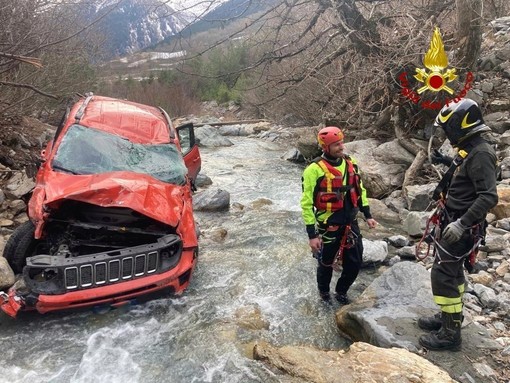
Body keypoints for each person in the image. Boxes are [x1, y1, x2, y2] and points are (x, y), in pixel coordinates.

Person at [418, 98, 498, 351]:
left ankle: (450, 335)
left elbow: (489, 196)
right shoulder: (471, 147)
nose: (447, 134)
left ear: (459, 125)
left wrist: (462, 224)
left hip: (461, 226)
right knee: (453, 273)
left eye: (448, 128)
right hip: (454, 220)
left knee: (443, 275)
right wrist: (444, 161)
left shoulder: (482, 153)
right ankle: (449, 318)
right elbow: (465, 174)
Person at [300, 126, 377, 304]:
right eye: (336, 145)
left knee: (355, 262)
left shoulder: (351, 163)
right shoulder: (313, 169)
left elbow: (360, 190)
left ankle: (341, 291)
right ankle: (324, 294)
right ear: (325, 147)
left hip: (350, 222)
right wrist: (312, 235)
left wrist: (368, 214)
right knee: (326, 263)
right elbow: (306, 204)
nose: (341, 147)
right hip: (328, 224)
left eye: (341, 142)